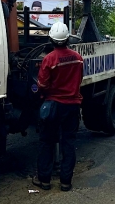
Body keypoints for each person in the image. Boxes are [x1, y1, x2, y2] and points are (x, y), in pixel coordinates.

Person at [33, 22, 83, 192]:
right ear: (68, 39)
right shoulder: (78, 58)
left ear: (51, 40)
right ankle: (65, 182)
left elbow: (42, 84)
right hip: (72, 106)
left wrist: (40, 92)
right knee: (68, 143)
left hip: (53, 106)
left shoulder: (49, 59)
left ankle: (44, 180)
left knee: (46, 142)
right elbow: (79, 80)